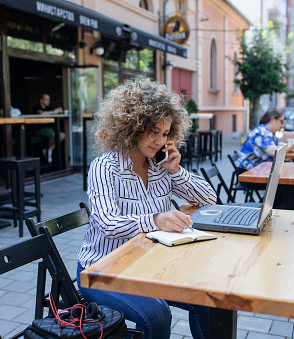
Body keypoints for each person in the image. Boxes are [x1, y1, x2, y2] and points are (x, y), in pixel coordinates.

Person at [76, 78, 217, 339]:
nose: (159, 140)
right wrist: (156, 219)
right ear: (132, 126)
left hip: (149, 265)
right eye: (153, 131)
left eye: (165, 134)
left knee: (207, 297)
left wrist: (176, 171)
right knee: (156, 314)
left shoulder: (161, 167)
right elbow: (108, 224)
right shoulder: (104, 168)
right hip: (101, 270)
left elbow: (210, 199)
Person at [235, 108, 294, 210]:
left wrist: (287, 145)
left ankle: (275, 212)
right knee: (285, 184)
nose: (282, 125)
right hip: (248, 174)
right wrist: (289, 147)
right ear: (273, 120)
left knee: (287, 183)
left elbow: (276, 145)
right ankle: (273, 212)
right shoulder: (262, 132)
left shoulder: (267, 132)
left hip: (257, 170)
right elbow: (273, 151)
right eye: (281, 121)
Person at [28, 93, 66, 163]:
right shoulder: (37, 107)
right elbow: (41, 114)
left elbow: (55, 111)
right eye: (46, 100)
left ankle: (49, 150)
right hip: (38, 129)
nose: (48, 101)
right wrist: (54, 111)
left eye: (49, 100)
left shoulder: (48, 108)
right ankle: (48, 152)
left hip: (48, 129)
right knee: (55, 135)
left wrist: (58, 110)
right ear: (41, 101)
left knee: (62, 135)